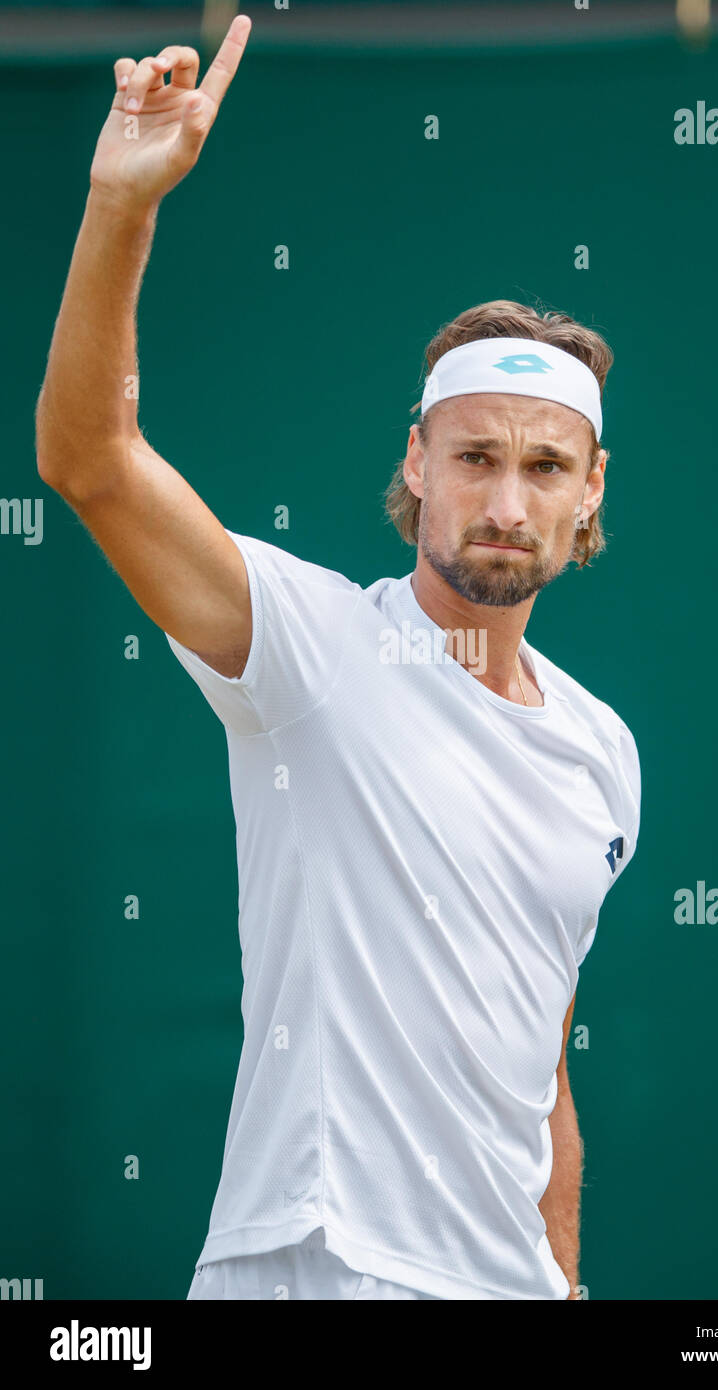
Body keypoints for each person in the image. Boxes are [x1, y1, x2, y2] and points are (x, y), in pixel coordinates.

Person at [35, 14, 641, 1300]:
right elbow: (88, 460)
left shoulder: (603, 754)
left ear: (590, 494)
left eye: (544, 469)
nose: (504, 503)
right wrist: (121, 207)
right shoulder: (309, 642)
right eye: (473, 457)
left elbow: (540, 1059)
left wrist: (563, 1274)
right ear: (415, 465)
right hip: (308, 1270)